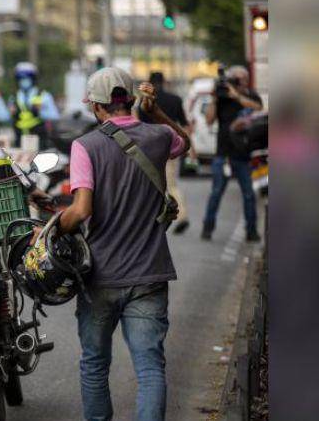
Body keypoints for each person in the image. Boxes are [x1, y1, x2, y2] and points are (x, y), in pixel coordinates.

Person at [54, 68, 189, 421]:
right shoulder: (159, 135)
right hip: (149, 275)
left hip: (100, 277)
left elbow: (81, 210)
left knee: (96, 364)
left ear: (97, 107)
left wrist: (53, 227)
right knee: (149, 369)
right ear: (131, 100)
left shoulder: (86, 146)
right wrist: (156, 111)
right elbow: (183, 142)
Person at [201, 65, 263, 242]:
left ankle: (251, 230)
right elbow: (209, 120)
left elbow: (258, 109)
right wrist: (213, 99)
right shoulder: (222, 97)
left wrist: (238, 96)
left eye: (243, 79)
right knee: (216, 192)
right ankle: (208, 226)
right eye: (236, 79)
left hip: (244, 154)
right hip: (223, 153)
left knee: (249, 194)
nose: (240, 82)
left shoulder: (251, 95)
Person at [146, 71, 193, 234]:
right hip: (171, 148)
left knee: (150, 185)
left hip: (148, 150)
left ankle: (151, 220)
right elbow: (185, 125)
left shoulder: (144, 102)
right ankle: (182, 216)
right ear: (164, 82)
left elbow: (137, 125)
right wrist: (190, 148)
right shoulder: (176, 100)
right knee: (171, 184)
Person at [9, 61, 59, 149]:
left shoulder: (44, 95)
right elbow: (7, 118)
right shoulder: (13, 97)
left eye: (27, 78)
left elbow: (55, 116)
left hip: (39, 142)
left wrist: (40, 112)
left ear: (33, 79)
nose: (23, 81)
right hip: (19, 141)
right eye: (21, 78)